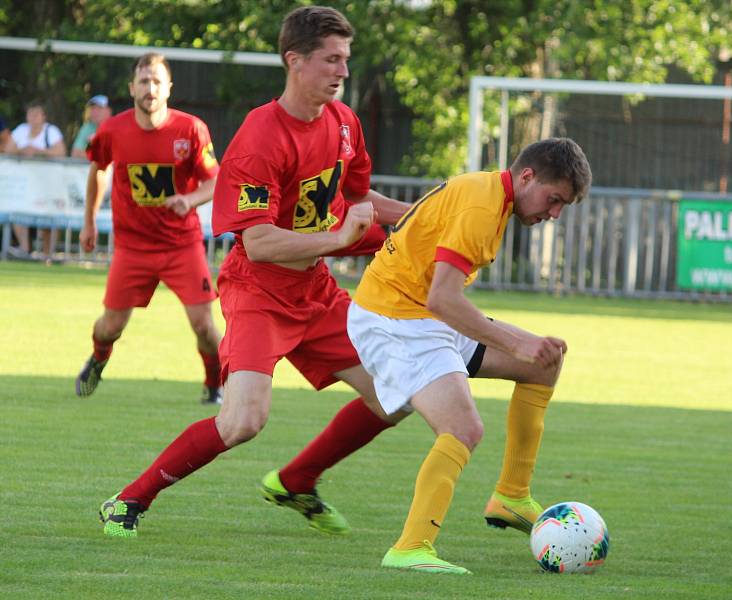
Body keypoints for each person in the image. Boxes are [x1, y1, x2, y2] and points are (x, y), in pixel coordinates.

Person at [97, 6, 411, 538]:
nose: (343, 71)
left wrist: (425, 223)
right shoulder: (261, 135)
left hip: (314, 291)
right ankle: (128, 500)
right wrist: (338, 239)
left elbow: (359, 197)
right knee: (243, 421)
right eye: (331, 59)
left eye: (346, 59)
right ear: (295, 60)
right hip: (258, 291)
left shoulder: (343, 122)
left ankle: (297, 480)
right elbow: (260, 243)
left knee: (396, 394)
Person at [346, 138, 592, 574]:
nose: (554, 214)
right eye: (554, 200)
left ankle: (512, 497)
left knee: (543, 365)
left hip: (421, 315)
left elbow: (441, 299)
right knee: (463, 428)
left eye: (563, 207)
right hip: (394, 318)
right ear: (527, 177)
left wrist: (523, 346)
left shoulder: (491, 196)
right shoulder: (482, 206)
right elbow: (443, 298)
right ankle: (410, 548)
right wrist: (516, 341)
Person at [76, 53, 224, 406]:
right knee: (110, 327)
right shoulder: (112, 130)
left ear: (169, 87)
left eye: (157, 81)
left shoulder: (191, 129)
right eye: (144, 81)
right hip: (133, 246)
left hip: (181, 244)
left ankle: (214, 384)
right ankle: (98, 357)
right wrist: (89, 220)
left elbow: (216, 181)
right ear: (132, 88)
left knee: (204, 325)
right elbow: (98, 169)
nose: (150, 88)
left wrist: (188, 201)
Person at [5, 101, 67, 257]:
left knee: (48, 218)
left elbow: (60, 151)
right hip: (24, 183)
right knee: (18, 212)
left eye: (36, 114)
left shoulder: (51, 131)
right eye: (30, 114)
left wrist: (39, 152)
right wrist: (22, 151)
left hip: (47, 183)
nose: (33, 117)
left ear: (44, 116)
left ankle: (48, 254)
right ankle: (25, 249)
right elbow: (8, 150)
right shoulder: (21, 130)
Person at [71, 94, 112, 159]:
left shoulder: (119, 127)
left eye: (99, 108)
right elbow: (75, 153)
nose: (95, 112)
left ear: (109, 110)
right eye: (93, 108)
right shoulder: (87, 127)